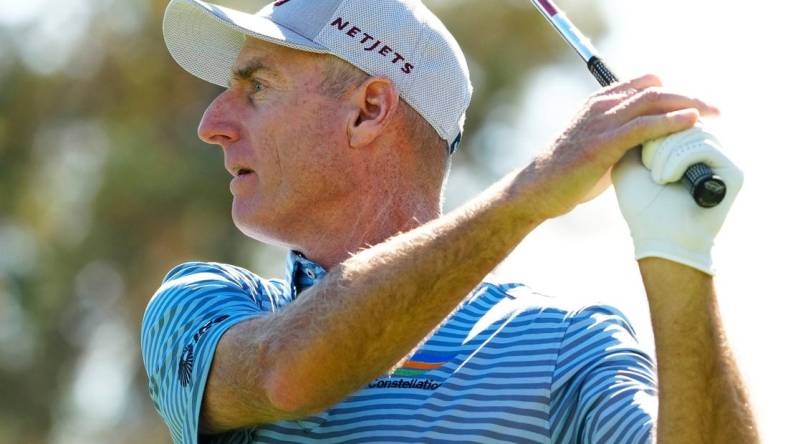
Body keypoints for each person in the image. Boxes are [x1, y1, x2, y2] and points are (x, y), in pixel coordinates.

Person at [141, 0, 759, 442]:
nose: (211, 123)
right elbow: (286, 376)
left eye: (257, 87)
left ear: (369, 111)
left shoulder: (566, 344)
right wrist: (529, 192)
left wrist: (679, 259)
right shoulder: (208, 305)